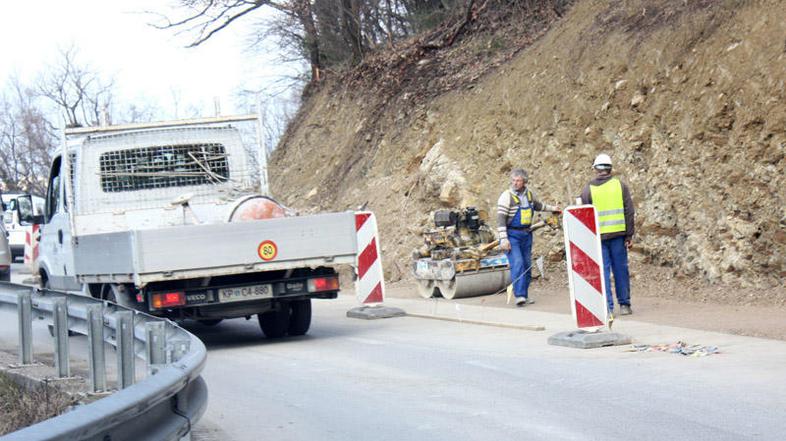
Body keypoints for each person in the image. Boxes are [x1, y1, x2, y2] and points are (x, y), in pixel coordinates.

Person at [580, 153, 635, 315]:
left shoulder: (587, 189)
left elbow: (584, 215)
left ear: (595, 169)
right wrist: (629, 235)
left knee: (603, 273)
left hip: (599, 239)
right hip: (618, 236)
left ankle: (608, 308)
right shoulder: (620, 186)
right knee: (621, 271)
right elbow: (629, 211)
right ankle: (624, 305)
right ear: (610, 168)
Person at [497, 168, 560, 307]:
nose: (515, 183)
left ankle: (524, 295)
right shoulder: (506, 196)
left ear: (524, 182)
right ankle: (519, 296)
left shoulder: (529, 195)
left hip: (526, 234)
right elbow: (500, 219)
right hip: (512, 235)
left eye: (518, 181)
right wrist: (503, 239)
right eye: (513, 180)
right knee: (518, 263)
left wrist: (553, 209)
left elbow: (538, 206)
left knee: (526, 265)